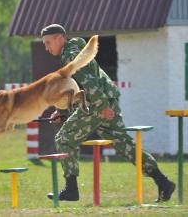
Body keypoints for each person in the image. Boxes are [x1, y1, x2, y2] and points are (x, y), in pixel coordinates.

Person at [40, 23, 175, 202]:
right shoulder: (77, 47)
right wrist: (64, 113)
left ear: (60, 38)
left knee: (64, 138)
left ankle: (71, 190)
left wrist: (102, 106)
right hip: (106, 99)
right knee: (124, 145)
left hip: (98, 102)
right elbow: (81, 88)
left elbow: (89, 83)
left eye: (48, 42)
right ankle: (163, 182)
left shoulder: (70, 56)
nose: (46, 48)